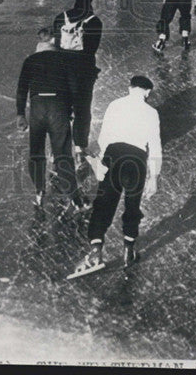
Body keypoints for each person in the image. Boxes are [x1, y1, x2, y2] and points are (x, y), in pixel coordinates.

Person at [71, 76, 162, 275]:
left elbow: (104, 136)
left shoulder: (115, 105)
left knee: (103, 205)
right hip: (137, 159)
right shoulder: (152, 112)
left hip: (114, 154)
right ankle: (129, 249)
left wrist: (102, 162)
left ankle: (95, 250)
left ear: (130, 88)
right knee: (132, 205)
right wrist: (153, 177)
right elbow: (155, 144)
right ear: (147, 92)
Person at [15, 27, 86, 210]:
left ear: (39, 43)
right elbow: (74, 88)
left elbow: (22, 89)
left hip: (37, 108)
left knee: (36, 152)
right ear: (53, 41)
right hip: (58, 107)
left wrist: (21, 114)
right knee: (62, 152)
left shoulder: (29, 61)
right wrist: (72, 111)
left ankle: (39, 191)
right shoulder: (64, 59)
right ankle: (75, 198)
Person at [52, 0, 102, 155]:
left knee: (62, 109)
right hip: (83, 72)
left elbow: (54, 45)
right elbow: (92, 49)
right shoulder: (95, 21)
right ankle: (80, 146)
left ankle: (58, 149)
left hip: (60, 71)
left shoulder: (61, 18)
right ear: (90, 0)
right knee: (82, 109)